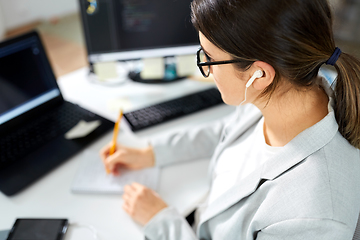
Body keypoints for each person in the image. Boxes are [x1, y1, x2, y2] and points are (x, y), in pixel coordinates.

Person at [100, 0, 360, 239]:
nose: (208, 69)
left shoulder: (315, 217)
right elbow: (227, 131)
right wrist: (150, 153)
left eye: (210, 58)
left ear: (260, 74)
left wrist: (162, 223)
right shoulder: (286, 92)